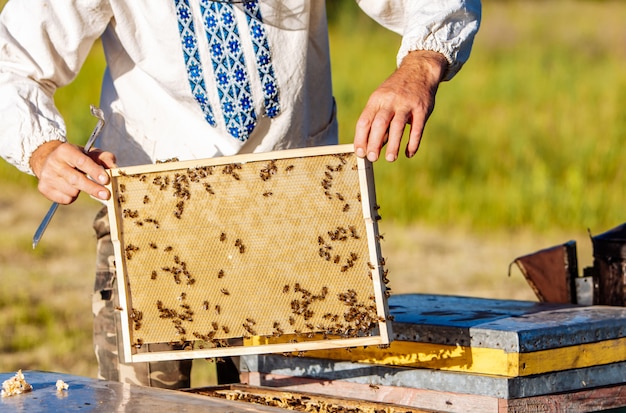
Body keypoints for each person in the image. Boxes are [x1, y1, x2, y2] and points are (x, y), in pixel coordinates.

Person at [0, 0, 481, 388]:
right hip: (153, 217)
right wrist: (42, 149)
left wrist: (420, 64)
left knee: (290, 398)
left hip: (290, 211)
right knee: (145, 403)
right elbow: (12, 61)